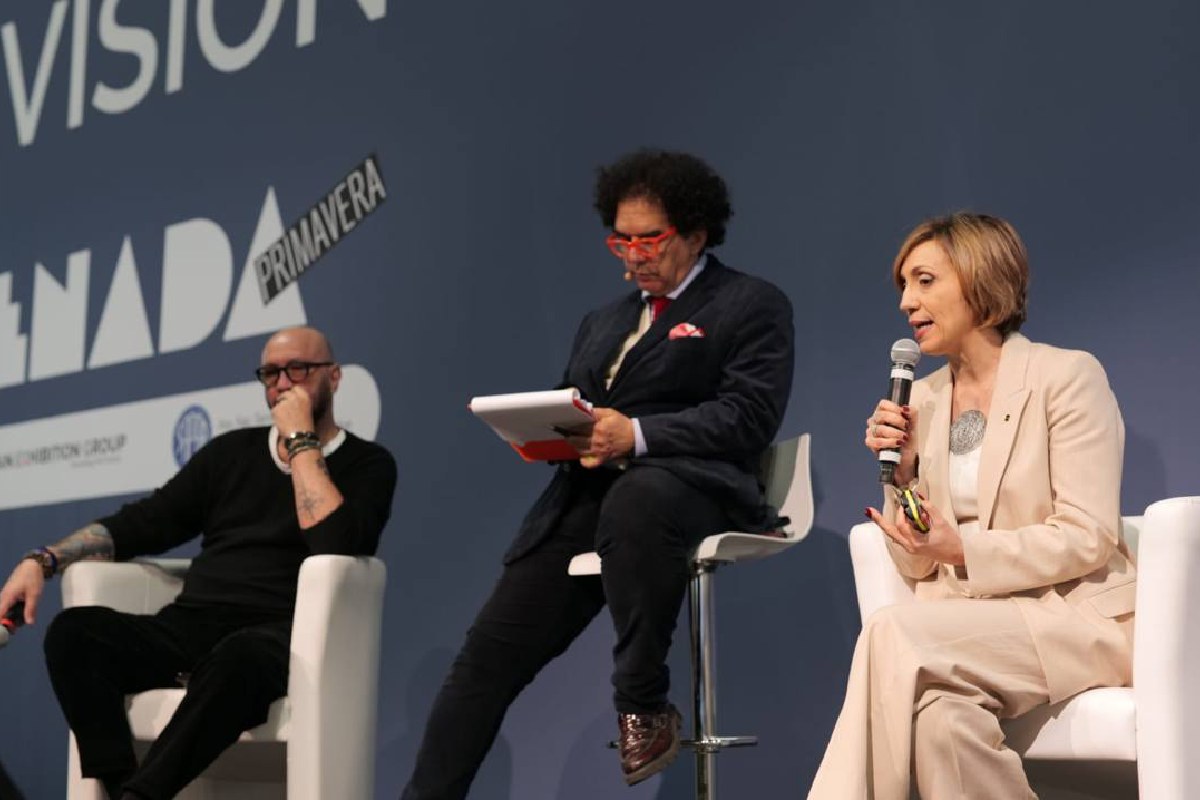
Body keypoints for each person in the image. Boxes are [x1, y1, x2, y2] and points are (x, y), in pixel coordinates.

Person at [402, 149, 795, 797]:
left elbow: (748, 416)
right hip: (587, 498)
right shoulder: (604, 321)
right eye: (622, 240)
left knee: (638, 497)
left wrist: (635, 435)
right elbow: (578, 404)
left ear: (697, 233)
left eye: (650, 239)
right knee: (484, 661)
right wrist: (547, 431)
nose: (634, 255)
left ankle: (643, 701)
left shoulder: (749, 303)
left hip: (694, 489)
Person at [808, 213, 1136, 799]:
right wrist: (902, 476)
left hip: (1070, 619)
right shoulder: (923, 399)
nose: (907, 302)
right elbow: (917, 562)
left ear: (980, 280)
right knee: (941, 721)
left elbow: (1087, 536)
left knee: (891, 632)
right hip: (966, 625)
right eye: (903, 286)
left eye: (925, 280)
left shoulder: (1066, 376)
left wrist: (964, 549)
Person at [0, 326, 397, 800]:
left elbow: (332, 542)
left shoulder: (368, 464)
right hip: (192, 626)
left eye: (298, 370)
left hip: (279, 634)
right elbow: (143, 523)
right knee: (75, 634)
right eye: (271, 373)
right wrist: (43, 561)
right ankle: (122, 787)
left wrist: (299, 439)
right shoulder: (230, 453)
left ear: (333, 377)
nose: (282, 384)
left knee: (238, 657)